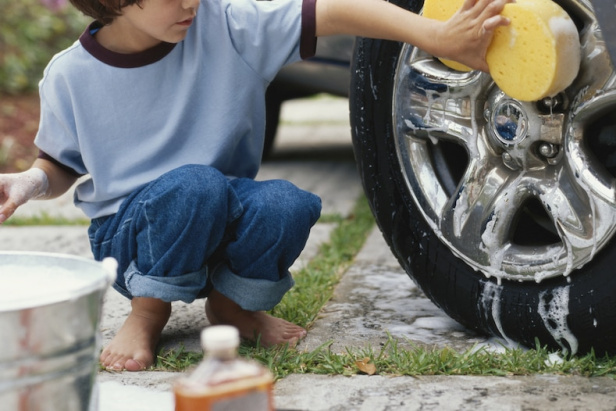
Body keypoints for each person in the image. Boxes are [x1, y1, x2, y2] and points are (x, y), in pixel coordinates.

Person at [0, 0, 511, 372]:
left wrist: (435, 34)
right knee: (195, 186)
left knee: (286, 203)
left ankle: (234, 304)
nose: (190, 3)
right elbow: (61, 163)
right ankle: (147, 312)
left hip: (218, 208)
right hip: (132, 237)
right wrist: (29, 182)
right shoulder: (70, 75)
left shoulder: (225, 25)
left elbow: (334, 12)